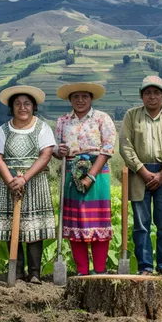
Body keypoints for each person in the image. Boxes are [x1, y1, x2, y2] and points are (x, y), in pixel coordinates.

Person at [119, 76, 162, 283]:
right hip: (139, 174)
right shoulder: (132, 116)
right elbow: (125, 144)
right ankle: (145, 267)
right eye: (148, 92)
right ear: (142, 96)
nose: (152, 96)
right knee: (141, 224)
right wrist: (142, 170)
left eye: (156, 92)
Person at [0, 86, 56, 283]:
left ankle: (35, 272)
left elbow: (46, 155)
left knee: (33, 227)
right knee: (13, 227)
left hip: (34, 182)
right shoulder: (3, 130)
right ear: (12, 107)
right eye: (17, 104)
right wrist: (11, 181)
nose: (22, 107)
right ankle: (17, 270)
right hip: (9, 183)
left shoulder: (42, 127)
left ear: (33, 106)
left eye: (27, 104)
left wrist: (24, 178)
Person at [54, 82, 116, 276]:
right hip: (72, 171)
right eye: (76, 97)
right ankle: (82, 271)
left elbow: (107, 149)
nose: (80, 100)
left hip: (98, 170)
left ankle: (100, 270)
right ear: (70, 99)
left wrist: (91, 175)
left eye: (84, 97)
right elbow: (55, 148)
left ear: (91, 98)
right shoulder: (63, 121)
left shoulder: (102, 119)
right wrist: (59, 151)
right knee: (75, 222)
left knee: (98, 221)